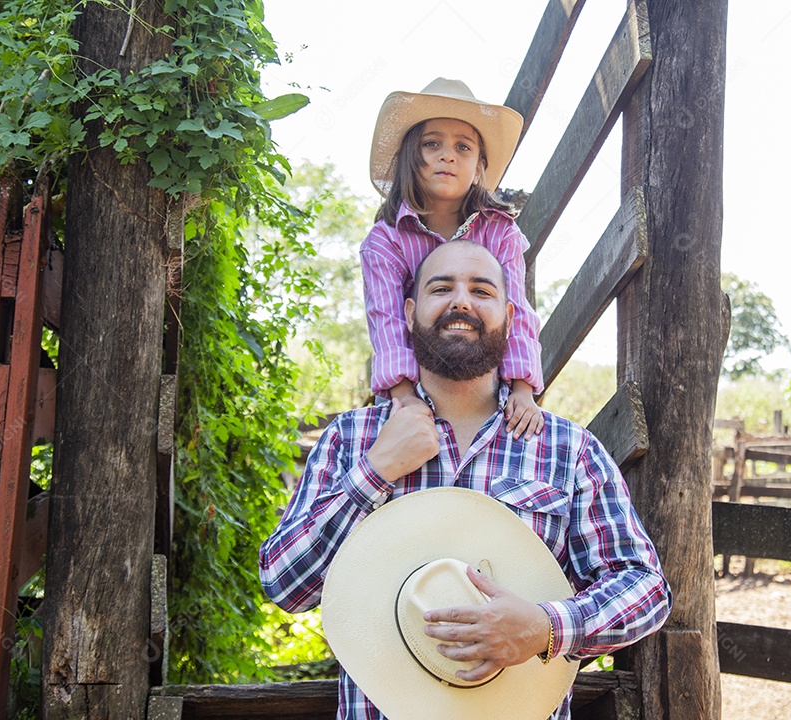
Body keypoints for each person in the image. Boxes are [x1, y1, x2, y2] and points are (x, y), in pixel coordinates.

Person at [260, 240, 672, 720]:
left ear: (509, 316)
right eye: (442, 288)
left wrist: (547, 627)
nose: (461, 301)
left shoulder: (568, 449)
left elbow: (644, 587)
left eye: (481, 289)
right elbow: (286, 586)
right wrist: (375, 471)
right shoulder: (350, 441)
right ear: (410, 311)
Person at [362, 77, 544, 440]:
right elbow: (385, 320)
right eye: (432, 144)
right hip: (419, 381)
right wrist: (405, 396)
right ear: (410, 157)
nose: (448, 155)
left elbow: (518, 312)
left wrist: (523, 390)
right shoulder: (385, 240)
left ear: (479, 166)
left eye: (463, 147)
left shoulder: (500, 232)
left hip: (484, 379)